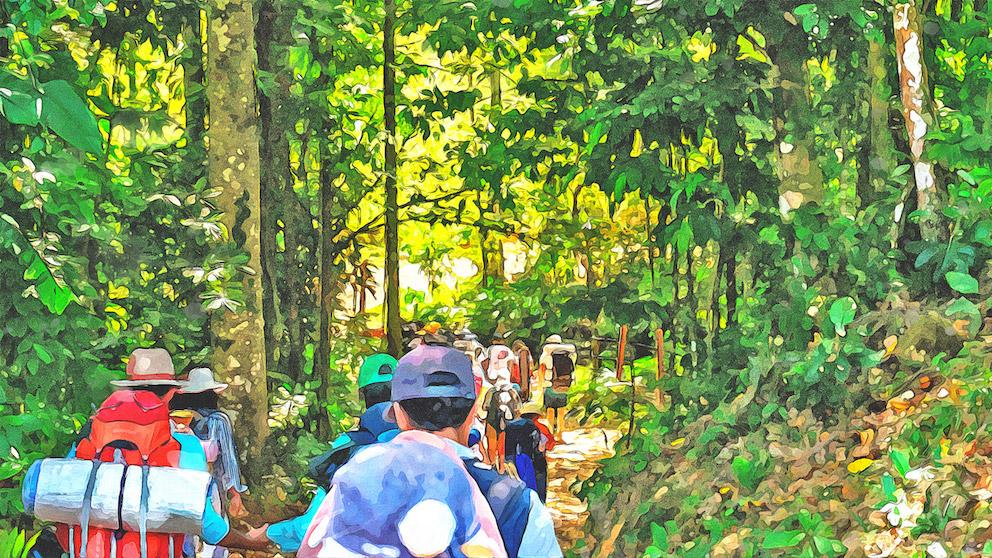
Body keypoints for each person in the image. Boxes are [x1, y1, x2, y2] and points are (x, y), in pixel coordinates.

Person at [50, 348, 271, 557]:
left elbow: (61, 499)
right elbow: (209, 526)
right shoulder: (184, 445)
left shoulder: (89, 435)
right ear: (172, 393)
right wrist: (254, 542)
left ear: (129, 388)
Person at [261, 353, 400, 554]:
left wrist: (270, 534)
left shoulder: (348, 446)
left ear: (363, 395)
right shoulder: (432, 447)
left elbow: (309, 528)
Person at [170, 367, 249, 558]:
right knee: (214, 534)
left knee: (187, 533)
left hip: (180, 485)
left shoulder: (175, 420)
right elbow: (228, 459)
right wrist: (235, 493)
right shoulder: (218, 420)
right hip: (210, 484)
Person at [504, 401, 555, 502]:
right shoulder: (541, 428)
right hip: (537, 462)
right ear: (537, 416)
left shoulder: (512, 426)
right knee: (539, 493)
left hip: (515, 462)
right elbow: (549, 445)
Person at [540, 334, 577, 441]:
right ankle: (560, 434)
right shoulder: (568, 356)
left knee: (550, 412)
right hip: (564, 386)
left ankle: (550, 435)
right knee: (561, 412)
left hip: (550, 386)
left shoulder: (546, 355)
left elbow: (542, 370)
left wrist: (541, 385)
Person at [481, 380, 522, 471]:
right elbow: (518, 408)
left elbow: (485, 406)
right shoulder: (512, 391)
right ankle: (502, 468)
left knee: (492, 447)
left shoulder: (491, 392)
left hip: (492, 420)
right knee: (502, 447)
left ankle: (492, 467)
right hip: (507, 422)